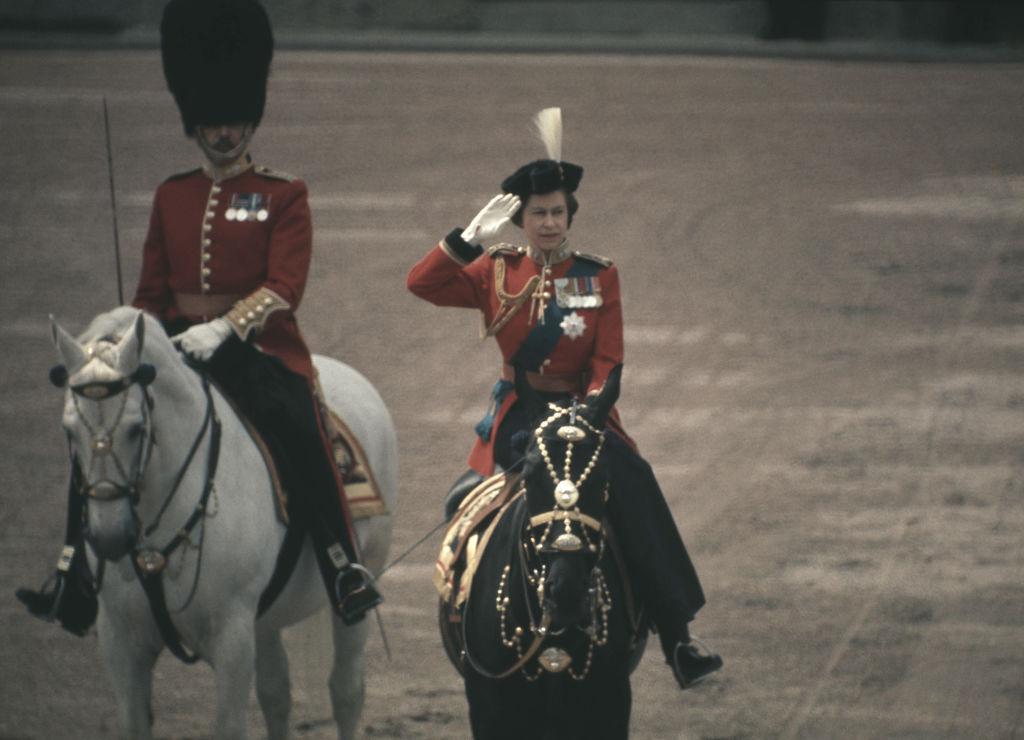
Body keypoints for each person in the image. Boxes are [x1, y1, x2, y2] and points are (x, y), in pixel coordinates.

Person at [17, 0, 381, 630]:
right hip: (172, 346)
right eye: (212, 122)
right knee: (99, 425)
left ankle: (340, 562)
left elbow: (284, 287)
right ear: (195, 123)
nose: (223, 133)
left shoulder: (282, 193)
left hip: (258, 349)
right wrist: (124, 338)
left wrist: (227, 326)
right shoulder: (173, 194)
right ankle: (73, 570)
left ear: (250, 121)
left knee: (299, 424)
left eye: (233, 121)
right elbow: (151, 292)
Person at [407, 108, 722, 690]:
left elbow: (607, 361)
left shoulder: (598, 276)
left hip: (584, 412)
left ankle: (677, 636)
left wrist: (591, 410)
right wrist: (466, 239)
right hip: (518, 415)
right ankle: (465, 622)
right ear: (520, 219)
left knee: (637, 490)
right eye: (538, 214)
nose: (549, 223)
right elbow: (421, 284)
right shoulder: (495, 270)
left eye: (557, 212)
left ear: (569, 215)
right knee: (466, 506)